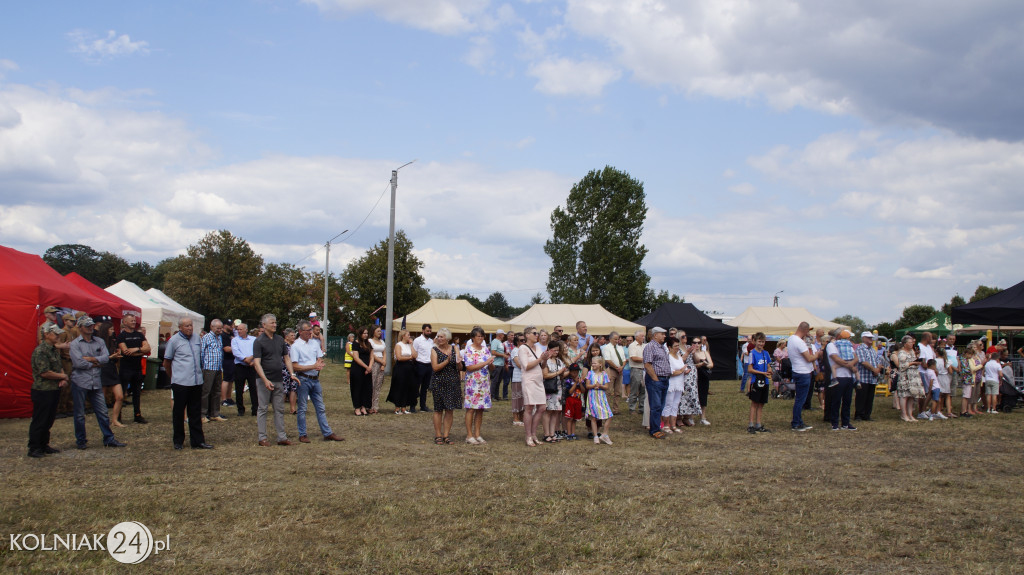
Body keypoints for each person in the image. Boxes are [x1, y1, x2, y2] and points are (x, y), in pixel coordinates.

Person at [69, 316, 126, 449]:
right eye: (87, 325)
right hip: (80, 381)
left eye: (91, 325)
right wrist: (96, 363)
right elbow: (78, 363)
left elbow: (106, 358)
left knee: (102, 412)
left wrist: (90, 359)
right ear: (80, 328)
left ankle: (109, 438)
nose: (90, 327)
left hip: (96, 381)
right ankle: (81, 441)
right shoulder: (75, 344)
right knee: (79, 414)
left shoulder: (99, 341)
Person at [291, 320, 344, 443]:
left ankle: (327, 433)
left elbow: (319, 357)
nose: (310, 332)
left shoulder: (314, 343)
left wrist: (319, 364)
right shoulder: (295, 346)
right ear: (300, 332)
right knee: (303, 408)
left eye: (311, 330)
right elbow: (295, 366)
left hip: (315, 380)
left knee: (320, 407)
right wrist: (313, 366)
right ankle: (302, 434)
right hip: (303, 379)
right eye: (307, 330)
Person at [163, 318, 212, 450]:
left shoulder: (197, 338)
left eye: (191, 325)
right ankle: (178, 441)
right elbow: (167, 362)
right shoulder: (173, 341)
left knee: (195, 412)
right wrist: (174, 377)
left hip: (196, 382)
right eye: (186, 326)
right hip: (180, 382)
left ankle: (197, 441)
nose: (190, 328)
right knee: (179, 412)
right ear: (180, 327)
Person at [252, 314, 298, 446]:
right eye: (272, 323)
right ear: (264, 325)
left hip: (279, 379)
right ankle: (262, 438)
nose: (275, 325)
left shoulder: (279, 340)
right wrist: (265, 380)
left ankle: (282, 437)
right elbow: (257, 363)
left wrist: (292, 373)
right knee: (263, 408)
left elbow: (286, 358)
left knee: (279, 408)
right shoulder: (259, 341)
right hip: (264, 381)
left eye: (275, 323)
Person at [27, 323, 69, 458]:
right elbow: (44, 372)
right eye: (55, 334)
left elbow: (58, 367)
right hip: (42, 390)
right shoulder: (40, 351)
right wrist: (62, 376)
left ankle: (44, 444)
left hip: (53, 389)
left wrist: (62, 378)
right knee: (40, 419)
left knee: (49, 419)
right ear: (46, 334)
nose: (58, 336)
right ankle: (34, 447)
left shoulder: (53, 350)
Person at [517, 326, 552, 447]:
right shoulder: (522, 348)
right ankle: (528, 436)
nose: (536, 335)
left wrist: (545, 360)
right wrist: (540, 359)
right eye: (534, 333)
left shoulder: (537, 347)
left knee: (542, 407)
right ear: (527, 335)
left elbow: (542, 366)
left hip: (538, 380)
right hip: (529, 380)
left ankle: (534, 433)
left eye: (537, 333)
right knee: (529, 407)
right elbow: (526, 365)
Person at [462, 327, 494, 444]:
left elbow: (491, 367)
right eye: (478, 336)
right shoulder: (469, 350)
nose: (480, 338)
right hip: (473, 383)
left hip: (484, 382)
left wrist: (491, 364)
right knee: (470, 409)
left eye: (482, 336)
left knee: (480, 409)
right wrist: (486, 362)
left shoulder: (486, 349)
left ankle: (477, 434)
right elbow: (469, 367)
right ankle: (469, 435)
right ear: (473, 338)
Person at [430, 328, 462, 444]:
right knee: (438, 409)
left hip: (453, 382)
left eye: (441, 337)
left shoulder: (455, 348)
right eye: (438, 337)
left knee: (449, 410)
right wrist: (447, 361)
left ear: (447, 338)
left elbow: (460, 368)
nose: (439, 339)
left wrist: (459, 363)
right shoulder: (434, 350)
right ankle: (438, 435)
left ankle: (446, 435)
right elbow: (435, 367)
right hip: (439, 382)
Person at [116, 314, 149, 424]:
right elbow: (125, 352)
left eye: (135, 321)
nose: (134, 322)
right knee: (122, 393)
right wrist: (140, 351)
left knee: (137, 393)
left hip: (137, 369)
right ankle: (118, 416)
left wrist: (136, 349)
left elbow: (147, 348)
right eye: (131, 321)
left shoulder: (139, 335)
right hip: (125, 369)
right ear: (125, 322)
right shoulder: (121, 336)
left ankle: (137, 415)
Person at [787, 322, 820, 432]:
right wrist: (818, 354)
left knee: (799, 399)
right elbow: (809, 358)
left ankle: (798, 421)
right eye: (808, 331)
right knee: (800, 399)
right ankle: (796, 423)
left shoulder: (791, 339)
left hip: (797, 370)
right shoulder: (799, 342)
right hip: (803, 372)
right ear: (805, 330)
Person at [826, 329, 858, 431]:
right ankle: (834, 423)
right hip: (838, 376)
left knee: (847, 401)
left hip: (848, 376)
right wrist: (850, 366)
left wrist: (851, 365)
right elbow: (835, 358)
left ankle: (846, 422)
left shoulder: (848, 345)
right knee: (836, 401)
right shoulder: (832, 345)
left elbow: (856, 357)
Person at [643, 326, 671, 439]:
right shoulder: (650, 347)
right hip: (656, 379)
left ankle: (657, 427)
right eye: (662, 334)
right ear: (655, 335)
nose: (665, 336)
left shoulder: (662, 347)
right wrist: (655, 379)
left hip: (664, 379)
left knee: (661, 405)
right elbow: (647, 364)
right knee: (656, 406)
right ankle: (654, 430)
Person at [199, 319, 227, 423]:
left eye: (221, 328)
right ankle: (202, 414)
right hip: (208, 368)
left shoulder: (219, 338)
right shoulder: (206, 338)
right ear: (212, 327)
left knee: (217, 391)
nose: (220, 330)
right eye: (218, 328)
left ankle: (214, 413)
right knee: (206, 392)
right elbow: (201, 353)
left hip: (218, 368)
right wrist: (203, 366)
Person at [541, 339, 567, 443]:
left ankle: (552, 433)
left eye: (557, 350)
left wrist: (562, 373)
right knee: (548, 411)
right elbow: (545, 375)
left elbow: (561, 375)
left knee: (556, 411)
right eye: (554, 350)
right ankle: (546, 434)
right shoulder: (546, 361)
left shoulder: (559, 361)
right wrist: (558, 372)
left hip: (558, 388)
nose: (556, 352)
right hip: (549, 389)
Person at [895, 335, 926, 422]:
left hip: (913, 376)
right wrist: (912, 363)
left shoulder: (912, 351)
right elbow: (901, 366)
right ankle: (904, 414)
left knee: (912, 396)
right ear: (905, 344)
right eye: (910, 342)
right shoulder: (902, 353)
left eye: (912, 342)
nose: (912, 343)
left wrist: (917, 361)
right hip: (905, 376)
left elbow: (913, 360)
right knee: (904, 396)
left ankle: (910, 414)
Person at [853, 332, 883, 422]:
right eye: (869, 338)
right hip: (863, 377)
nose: (871, 339)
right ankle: (858, 414)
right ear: (863, 338)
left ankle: (867, 415)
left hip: (872, 378)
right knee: (861, 396)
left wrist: (878, 368)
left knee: (870, 397)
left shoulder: (873, 350)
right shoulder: (860, 349)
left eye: (871, 338)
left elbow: (878, 360)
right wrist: (874, 370)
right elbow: (863, 362)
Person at [387, 329, 418, 414]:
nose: (409, 336)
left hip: (409, 368)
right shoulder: (398, 345)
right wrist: (410, 358)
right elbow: (399, 357)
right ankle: (397, 407)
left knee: (407, 387)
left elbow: (415, 355)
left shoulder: (409, 345)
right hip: (400, 367)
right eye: (408, 335)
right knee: (399, 386)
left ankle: (404, 407)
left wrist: (411, 345)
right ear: (403, 336)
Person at [746, 332, 772, 434]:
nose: (761, 344)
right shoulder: (752, 353)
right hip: (756, 381)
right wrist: (762, 373)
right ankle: (751, 424)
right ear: (755, 342)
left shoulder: (766, 353)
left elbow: (769, 365)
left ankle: (758, 424)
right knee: (754, 403)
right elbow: (750, 369)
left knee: (761, 403)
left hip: (765, 381)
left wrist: (769, 371)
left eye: (763, 342)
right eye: (759, 341)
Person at [231, 323, 258, 416]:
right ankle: (240, 409)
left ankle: (255, 409)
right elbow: (236, 352)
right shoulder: (235, 340)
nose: (239, 331)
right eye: (238, 329)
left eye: (241, 329)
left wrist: (251, 359)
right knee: (239, 389)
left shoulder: (253, 339)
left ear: (246, 330)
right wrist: (246, 360)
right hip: (240, 366)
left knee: (253, 388)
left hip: (251, 367)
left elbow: (257, 350)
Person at [585, 355, 614, 444]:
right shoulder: (590, 373)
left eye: (595, 363)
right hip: (592, 397)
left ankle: (604, 434)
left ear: (600, 364)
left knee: (609, 415)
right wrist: (594, 385)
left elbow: (606, 386)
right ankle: (595, 436)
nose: (593, 364)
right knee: (593, 417)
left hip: (602, 397)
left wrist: (600, 386)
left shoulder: (604, 374)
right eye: (592, 363)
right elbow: (587, 386)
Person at [663, 336, 686, 433]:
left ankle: (673, 425)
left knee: (675, 404)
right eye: (675, 346)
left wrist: (684, 370)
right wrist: (681, 370)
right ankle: (665, 425)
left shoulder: (679, 356)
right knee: (668, 404)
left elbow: (681, 368)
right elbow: (671, 372)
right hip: (671, 384)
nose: (677, 347)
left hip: (679, 383)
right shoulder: (668, 357)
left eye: (678, 345)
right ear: (669, 347)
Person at [350, 327, 373, 416]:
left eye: (367, 333)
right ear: (360, 334)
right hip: (358, 369)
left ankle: (364, 406)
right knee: (357, 388)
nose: (366, 335)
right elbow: (356, 357)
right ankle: (357, 407)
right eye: (364, 333)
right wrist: (366, 367)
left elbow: (372, 356)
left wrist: (369, 367)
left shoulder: (369, 344)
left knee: (366, 388)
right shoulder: (355, 343)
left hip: (367, 369)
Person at [601, 331, 625, 413]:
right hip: (611, 370)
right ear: (610, 339)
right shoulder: (606, 348)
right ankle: (606, 408)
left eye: (618, 339)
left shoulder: (620, 348)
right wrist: (616, 367)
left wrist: (621, 367)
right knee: (608, 390)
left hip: (620, 371)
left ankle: (616, 409)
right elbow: (607, 360)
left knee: (618, 391)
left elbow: (624, 359)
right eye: (615, 339)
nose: (617, 341)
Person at [413, 324, 435, 413]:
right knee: (416, 386)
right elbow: (414, 352)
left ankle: (423, 405)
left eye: (430, 331)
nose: (429, 332)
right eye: (427, 331)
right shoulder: (417, 340)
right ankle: (413, 405)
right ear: (423, 330)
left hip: (429, 365)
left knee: (425, 387)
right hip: (420, 364)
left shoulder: (431, 341)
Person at [692, 336, 713, 425]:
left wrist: (705, 365)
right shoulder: (692, 353)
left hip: (704, 377)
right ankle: (691, 417)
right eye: (695, 342)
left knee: (703, 396)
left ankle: (703, 417)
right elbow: (694, 363)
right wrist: (702, 364)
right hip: (695, 377)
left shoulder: (705, 352)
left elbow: (711, 364)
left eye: (699, 342)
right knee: (694, 396)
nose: (697, 344)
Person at [562, 364, 584, 440]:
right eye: (573, 372)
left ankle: (573, 433)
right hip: (570, 400)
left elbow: (583, 391)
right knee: (570, 418)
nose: (575, 373)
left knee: (575, 418)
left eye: (577, 371)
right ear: (570, 372)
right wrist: (575, 383)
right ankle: (568, 434)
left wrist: (580, 383)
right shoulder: (568, 380)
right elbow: (570, 391)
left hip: (578, 400)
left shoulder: (580, 380)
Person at [627, 330, 646, 414]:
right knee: (634, 389)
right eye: (642, 336)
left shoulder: (645, 346)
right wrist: (645, 359)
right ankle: (632, 408)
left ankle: (642, 408)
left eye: (644, 336)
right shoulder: (632, 345)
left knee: (643, 390)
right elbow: (633, 358)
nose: (643, 337)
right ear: (637, 337)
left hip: (644, 369)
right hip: (636, 369)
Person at [369, 326, 386, 414]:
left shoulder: (382, 341)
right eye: (378, 331)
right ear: (373, 332)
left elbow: (384, 352)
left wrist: (384, 363)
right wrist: (380, 361)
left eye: (380, 331)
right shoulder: (370, 341)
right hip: (374, 363)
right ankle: (370, 405)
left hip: (381, 364)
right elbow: (372, 354)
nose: (380, 332)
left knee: (378, 385)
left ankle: (376, 405)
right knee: (372, 384)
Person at [489, 329, 507, 401]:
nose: (503, 336)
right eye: (503, 334)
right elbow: (493, 352)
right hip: (496, 364)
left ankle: (496, 395)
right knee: (494, 381)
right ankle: (492, 396)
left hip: (501, 364)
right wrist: (503, 355)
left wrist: (504, 355)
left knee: (498, 381)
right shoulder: (495, 342)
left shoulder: (499, 342)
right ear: (500, 335)